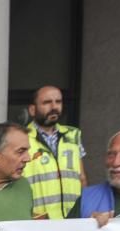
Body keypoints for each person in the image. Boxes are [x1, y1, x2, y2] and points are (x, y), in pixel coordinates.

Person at [21, 85, 88, 219]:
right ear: (32, 109)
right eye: (47, 102)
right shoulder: (21, 138)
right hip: (39, 222)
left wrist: (85, 211)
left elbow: (82, 178)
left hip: (73, 220)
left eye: (58, 102)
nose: (54, 107)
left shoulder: (73, 135)